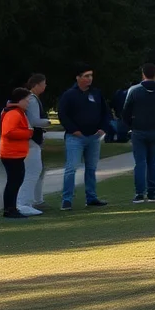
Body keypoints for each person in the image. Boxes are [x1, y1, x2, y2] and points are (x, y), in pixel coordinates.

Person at [56, 64, 111, 210]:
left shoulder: (96, 93)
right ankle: (67, 199)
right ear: (78, 77)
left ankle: (91, 197)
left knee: (91, 168)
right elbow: (63, 114)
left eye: (91, 76)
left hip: (94, 137)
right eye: (86, 76)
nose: (89, 79)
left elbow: (106, 113)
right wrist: (73, 130)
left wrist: (103, 128)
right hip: (75, 138)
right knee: (71, 168)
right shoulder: (69, 94)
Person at [122, 64, 155, 203]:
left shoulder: (135, 90)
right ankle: (152, 192)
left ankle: (139, 193)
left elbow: (126, 112)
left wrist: (131, 125)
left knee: (140, 162)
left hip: (139, 130)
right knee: (152, 162)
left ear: (143, 74)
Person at [16, 74, 50, 216]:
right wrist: (47, 122)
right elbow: (34, 120)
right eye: (44, 83)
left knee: (37, 170)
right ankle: (23, 203)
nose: (45, 86)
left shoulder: (30, 98)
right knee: (32, 171)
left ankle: (32, 201)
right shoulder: (33, 99)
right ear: (36, 85)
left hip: (30, 141)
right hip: (31, 141)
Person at [1, 88, 35, 219]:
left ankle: (11, 208)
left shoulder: (16, 112)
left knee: (15, 181)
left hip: (14, 153)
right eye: (27, 100)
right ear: (20, 100)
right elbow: (8, 132)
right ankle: (10, 209)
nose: (28, 103)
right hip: (11, 154)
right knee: (14, 182)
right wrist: (28, 133)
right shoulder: (14, 113)